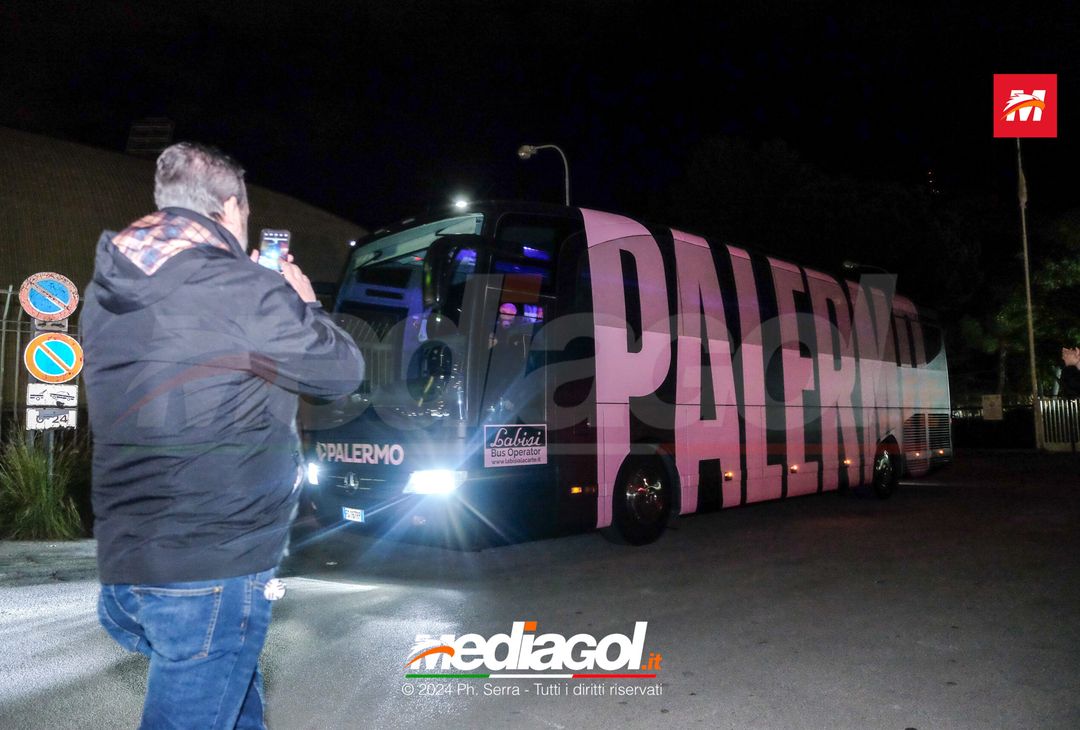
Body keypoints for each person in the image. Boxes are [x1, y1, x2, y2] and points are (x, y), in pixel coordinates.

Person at [82, 142, 364, 728]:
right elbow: (340, 373)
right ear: (231, 206)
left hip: (129, 549)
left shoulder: (108, 287)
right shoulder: (243, 289)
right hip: (213, 557)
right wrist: (304, 304)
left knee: (231, 695)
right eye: (245, 214)